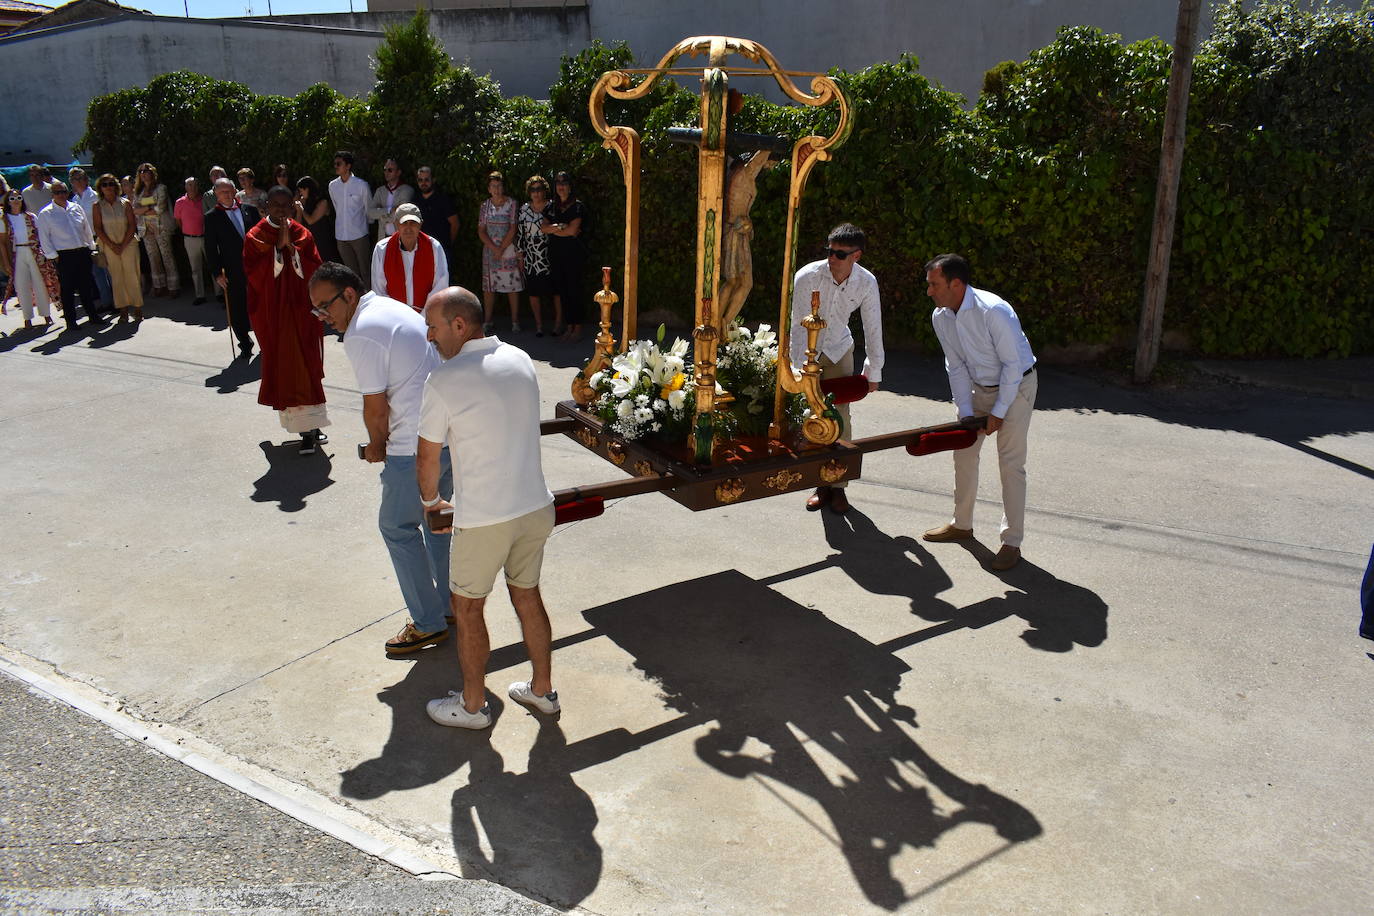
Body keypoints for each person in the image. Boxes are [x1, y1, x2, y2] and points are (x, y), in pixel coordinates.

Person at [417, 286, 558, 729]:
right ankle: (542, 692)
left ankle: (473, 707)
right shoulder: (519, 358)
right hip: (535, 506)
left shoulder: (443, 380)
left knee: (469, 609)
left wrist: (431, 504)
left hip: (483, 520)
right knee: (528, 596)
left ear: (460, 325)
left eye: (433, 327)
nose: (429, 337)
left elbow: (426, 458)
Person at [309, 262, 454, 653]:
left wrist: (376, 445)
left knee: (397, 528)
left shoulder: (361, 332)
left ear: (349, 295)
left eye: (326, 307)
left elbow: (375, 407)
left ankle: (428, 622)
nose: (324, 317)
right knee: (438, 522)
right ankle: (450, 606)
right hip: (444, 436)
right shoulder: (390, 307)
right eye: (317, 310)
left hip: (412, 446)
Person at [921, 253, 1038, 571]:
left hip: (1016, 386)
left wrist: (999, 411)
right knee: (963, 453)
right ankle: (961, 524)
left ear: (955, 283)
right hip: (978, 388)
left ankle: (1011, 542)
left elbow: (1012, 366)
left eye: (935, 284)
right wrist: (966, 410)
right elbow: (955, 365)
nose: (929, 291)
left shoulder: (994, 310)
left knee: (1010, 464)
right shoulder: (941, 316)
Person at [788, 223, 884, 516]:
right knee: (813, 416)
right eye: (830, 251)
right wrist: (796, 367)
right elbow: (795, 325)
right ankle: (820, 484)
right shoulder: (807, 276)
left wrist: (874, 372)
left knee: (840, 416)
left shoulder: (867, 282)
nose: (833, 258)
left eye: (840, 254)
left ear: (857, 256)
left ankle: (839, 485)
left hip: (840, 349)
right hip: (808, 354)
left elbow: (873, 327)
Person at [243, 186, 328, 453]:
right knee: (286, 367)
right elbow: (253, 275)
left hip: (302, 313)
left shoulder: (302, 234)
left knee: (308, 365)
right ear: (266, 206)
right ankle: (301, 428)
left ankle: (312, 428)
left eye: (286, 205)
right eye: (275, 205)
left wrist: (293, 251)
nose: (281, 210)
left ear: (293, 206)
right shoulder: (256, 236)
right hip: (276, 315)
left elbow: (316, 269)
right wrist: (277, 253)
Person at [204, 176, 261, 359]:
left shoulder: (250, 211)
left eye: (229, 191)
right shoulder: (212, 217)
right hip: (232, 268)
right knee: (237, 307)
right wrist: (216, 273)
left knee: (260, 304)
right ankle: (244, 342)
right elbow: (210, 248)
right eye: (222, 192)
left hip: (256, 267)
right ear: (216, 195)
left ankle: (265, 339)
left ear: (235, 191)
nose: (227, 195)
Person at [38, 181, 103, 328]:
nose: (61, 195)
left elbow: (86, 228)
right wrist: (53, 256)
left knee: (86, 286)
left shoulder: (76, 207)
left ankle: (92, 315)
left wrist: (91, 246)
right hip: (64, 255)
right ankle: (71, 321)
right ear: (52, 195)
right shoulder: (46, 213)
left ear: (68, 192)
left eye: (63, 192)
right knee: (67, 290)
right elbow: (44, 237)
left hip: (82, 252)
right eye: (57, 192)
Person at [370, 203, 448, 310]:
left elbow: (440, 286)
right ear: (396, 224)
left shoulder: (434, 247)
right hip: (394, 317)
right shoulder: (381, 249)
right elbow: (379, 290)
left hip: (427, 318)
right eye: (404, 223)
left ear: (420, 224)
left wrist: (424, 318)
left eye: (413, 223)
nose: (408, 228)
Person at [91, 173, 144, 324]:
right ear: (100, 188)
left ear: (116, 186)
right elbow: (98, 228)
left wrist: (122, 244)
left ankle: (138, 307)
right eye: (104, 184)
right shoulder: (97, 206)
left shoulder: (125, 203)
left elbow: (132, 225)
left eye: (111, 184)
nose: (108, 187)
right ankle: (123, 310)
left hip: (128, 244)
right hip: (109, 245)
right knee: (117, 278)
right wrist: (113, 245)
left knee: (132, 275)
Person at [543, 171, 588, 341]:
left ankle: (577, 328)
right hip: (556, 254)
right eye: (558, 183)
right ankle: (569, 327)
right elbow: (543, 228)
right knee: (562, 292)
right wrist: (561, 227)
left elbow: (573, 230)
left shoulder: (577, 207)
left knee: (575, 291)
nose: (561, 187)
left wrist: (557, 229)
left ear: (570, 186)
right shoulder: (551, 206)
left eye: (564, 183)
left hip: (574, 255)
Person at [1, 189, 56, 328]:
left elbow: (41, 236)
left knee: (40, 284)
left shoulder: (31, 216)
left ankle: (46, 314)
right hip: (17, 253)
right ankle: (27, 318)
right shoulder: (4, 220)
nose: (16, 201)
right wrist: (6, 263)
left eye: (18, 198)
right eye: (12, 199)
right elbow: (2, 243)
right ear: (7, 202)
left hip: (34, 251)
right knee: (22, 286)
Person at [478, 171, 522, 334]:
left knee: (512, 286)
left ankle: (515, 321)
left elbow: (513, 227)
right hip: (490, 251)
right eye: (493, 186)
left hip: (508, 249)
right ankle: (488, 321)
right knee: (489, 287)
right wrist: (494, 249)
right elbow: (481, 230)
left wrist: (501, 248)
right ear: (489, 188)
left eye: (499, 185)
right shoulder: (485, 206)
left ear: (503, 187)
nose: (496, 189)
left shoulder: (512, 203)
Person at [69, 168, 113, 313]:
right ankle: (106, 302)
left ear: (86, 179)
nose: (78, 181)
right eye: (75, 179)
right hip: (87, 241)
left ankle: (118, 301)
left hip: (100, 237)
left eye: (81, 178)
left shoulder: (95, 196)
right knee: (97, 273)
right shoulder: (74, 200)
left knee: (109, 271)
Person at [131, 163, 179, 298]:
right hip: (145, 229)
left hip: (161, 227)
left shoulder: (161, 188)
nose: (143, 174)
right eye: (140, 171)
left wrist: (143, 208)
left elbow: (160, 208)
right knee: (153, 257)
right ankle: (159, 285)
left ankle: (173, 286)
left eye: (146, 171)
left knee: (167, 256)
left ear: (152, 172)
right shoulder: (138, 192)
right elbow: (135, 210)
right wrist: (148, 208)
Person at [516, 175, 553, 337]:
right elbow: (520, 233)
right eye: (533, 189)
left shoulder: (552, 206)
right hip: (531, 256)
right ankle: (539, 325)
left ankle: (557, 324)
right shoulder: (524, 209)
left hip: (550, 252)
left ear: (544, 190)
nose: (536, 193)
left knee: (554, 291)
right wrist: (520, 255)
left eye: (539, 189)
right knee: (533, 292)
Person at [328, 150, 371, 287]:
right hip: (341, 235)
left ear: (348, 166)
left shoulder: (361, 185)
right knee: (351, 273)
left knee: (365, 271)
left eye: (339, 164)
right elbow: (337, 207)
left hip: (359, 234)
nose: (336, 166)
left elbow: (368, 208)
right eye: (335, 163)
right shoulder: (332, 186)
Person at [414, 166, 458, 272]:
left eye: (426, 179)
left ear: (433, 180)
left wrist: (448, 244)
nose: (423, 183)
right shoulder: (415, 200)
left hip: (442, 250)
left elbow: (455, 223)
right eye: (420, 180)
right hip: (420, 250)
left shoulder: (443, 199)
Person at [173, 177, 208, 305]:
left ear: (198, 187)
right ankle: (200, 295)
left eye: (194, 185)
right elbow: (178, 221)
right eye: (189, 185)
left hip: (206, 237)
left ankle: (219, 293)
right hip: (190, 239)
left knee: (213, 265)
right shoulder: (179, 203)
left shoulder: (204, 200)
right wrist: (188, 232)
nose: (192, 188)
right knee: (195, 268)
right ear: (185, 187)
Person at [368, 157, 414, 242]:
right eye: (385, 169)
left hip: (401, 238)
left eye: (390, 170)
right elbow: (370, 212)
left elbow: (401, 214)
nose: (386, 173)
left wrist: (381, 215)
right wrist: (389, 210)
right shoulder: (380, 191)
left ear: (398, 172)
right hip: (383, 238)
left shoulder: (407, 190)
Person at [294, 176, 338, 263]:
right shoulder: (305, 202)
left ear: (307, 189)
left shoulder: (323, 202)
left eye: (301, 190)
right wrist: (299, 211)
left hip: (323, 241)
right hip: (310, 242)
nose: (300, 193)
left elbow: (311, 220)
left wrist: (301, 209)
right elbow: (298, 224)